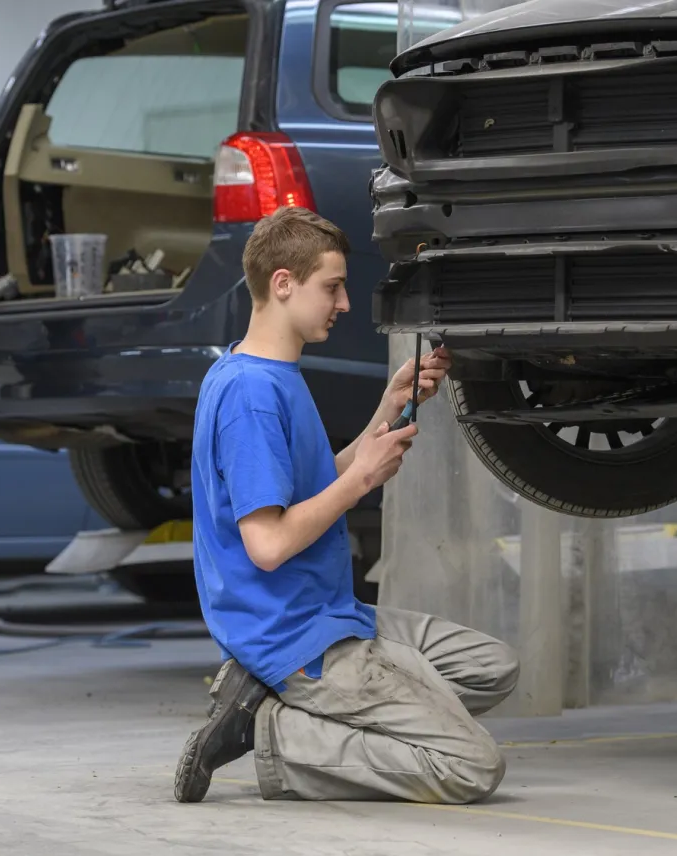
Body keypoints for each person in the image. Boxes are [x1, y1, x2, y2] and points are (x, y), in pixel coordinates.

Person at [173, 206, 519, 804]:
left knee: (491, 666)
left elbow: (304, 487)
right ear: (283, 283)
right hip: (294, 635)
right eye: (332, 287)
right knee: (471, 766)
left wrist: (388, 408)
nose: (345, 303)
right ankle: (271, 729)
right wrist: (361, 480)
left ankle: (290, 702)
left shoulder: (268, 373)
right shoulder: (251, 396)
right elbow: (269, 543)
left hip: (330, 612)